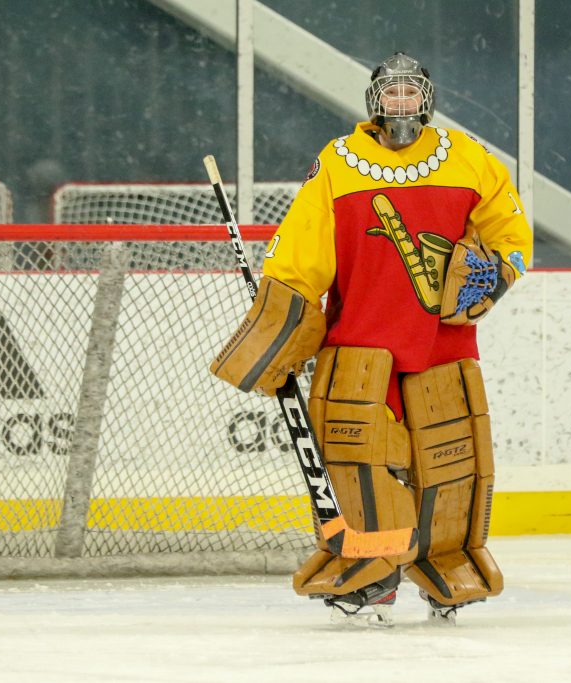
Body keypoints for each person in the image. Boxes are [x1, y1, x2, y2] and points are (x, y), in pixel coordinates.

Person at [210, 52, 533, 625]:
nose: (401, 105)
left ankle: (448, 565)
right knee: (359, 463)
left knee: (451, 461)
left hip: (442, 342)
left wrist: (496, 273)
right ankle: (371, 570)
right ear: (374, 102)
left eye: (410, 95)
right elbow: (301, 250)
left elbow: (510, 233)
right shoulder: (338, 161)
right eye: (392, 95)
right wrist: (281, 326)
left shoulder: (470, 158)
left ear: (426, 100)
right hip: (361, 339)